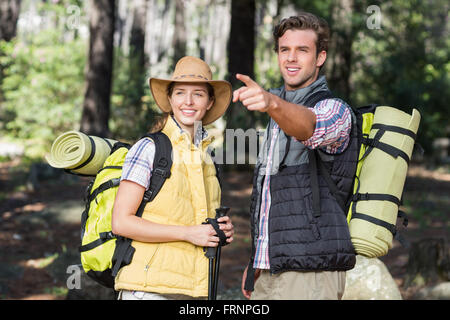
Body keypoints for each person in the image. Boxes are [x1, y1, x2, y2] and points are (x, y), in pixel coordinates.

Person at [235, 12, 358, 300]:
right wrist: (257, 259)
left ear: (320, 57)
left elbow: (309, 127)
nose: (291, 58)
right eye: (284, 50)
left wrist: (271, 102)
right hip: (270, 269)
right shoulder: (275, 116)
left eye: (302, 50)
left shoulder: (335, 110)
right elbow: (270, 200)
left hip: (312, 273)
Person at [111, 56, 234, 300]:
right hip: (148, 290)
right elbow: (121, 223)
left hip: (194, 290)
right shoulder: (149, 148)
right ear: (170, 99)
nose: (188, 102)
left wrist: (221, 231)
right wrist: (188, 233)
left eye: (198, 94)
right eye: (180, 93)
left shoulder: (208, 158)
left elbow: (195, 224)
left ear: (210, 102)